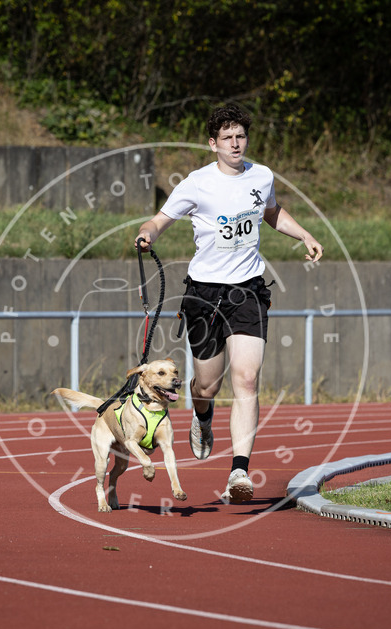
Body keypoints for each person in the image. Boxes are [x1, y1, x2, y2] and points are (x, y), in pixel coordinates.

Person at [134, 104, 323, 503]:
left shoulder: (262, 175)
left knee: (247, 379)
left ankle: (239, 471)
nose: (235, 144)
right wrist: (146, 234)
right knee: (208, 384)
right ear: (213, 144)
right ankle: (202, 417)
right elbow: (159, 220)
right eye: (227, 139)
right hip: (204, 294)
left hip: (248, 291)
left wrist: (303, 234)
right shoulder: (196, 184)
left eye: (240, 137)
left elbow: (271, 211)